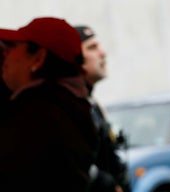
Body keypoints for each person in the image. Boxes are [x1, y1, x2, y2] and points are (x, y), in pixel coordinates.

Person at [0, 17, 98, 191]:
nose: (5, 54)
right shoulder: (68, 105)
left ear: (38, 59)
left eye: (13, 47)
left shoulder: (34, 118)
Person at [75, 24, 131, 192]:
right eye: (92, 47)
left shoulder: (93, 104)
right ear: (76, 60)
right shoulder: (72, 109)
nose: (103, 53)